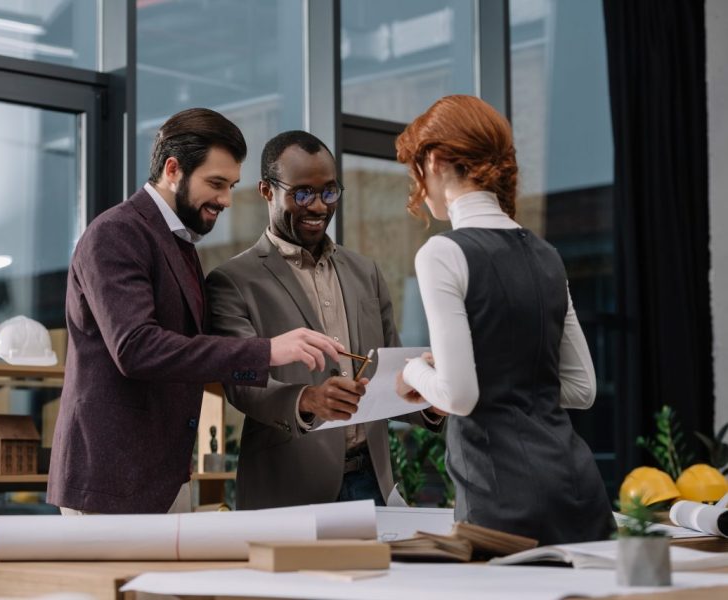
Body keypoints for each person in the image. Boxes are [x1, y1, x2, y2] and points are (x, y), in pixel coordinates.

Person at [47, 110, 342, 515]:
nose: (225, 200)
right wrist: (266, 351)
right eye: (216, 184)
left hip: (161, 477)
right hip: (110, 481)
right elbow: (136, 348)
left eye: (231, 185)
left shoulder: (178, 242)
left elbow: (192, 349)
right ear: (173, 170)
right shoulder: (116, 233)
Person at [394, 95, 613, 545]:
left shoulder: (443, 253)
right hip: (577, 490)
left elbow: (460, 396)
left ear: (433, 161)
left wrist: (416, 370)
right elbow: (581, 390)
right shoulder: (547, 255)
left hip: (500, 500)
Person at [206, 130, 443, 510]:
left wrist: (428, 403)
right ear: (266, 191)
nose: (318, 207)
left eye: (329, 192)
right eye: (302, 194)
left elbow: (392, 368)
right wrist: (309, 400)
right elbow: (242, 385)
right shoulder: (232, 281)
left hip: (372, 480)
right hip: (289, 486)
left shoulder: (365, 271)